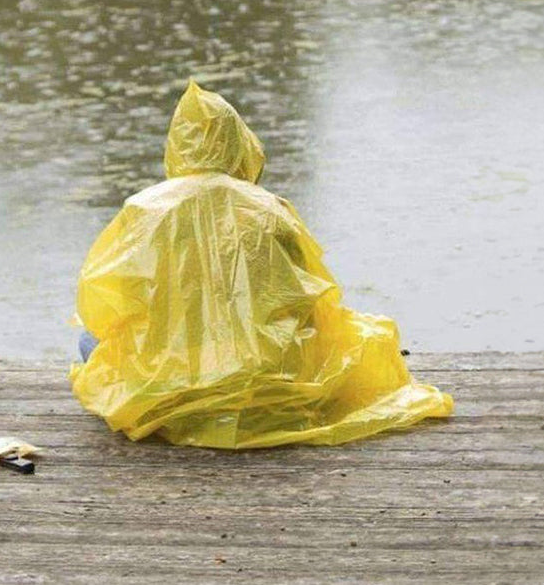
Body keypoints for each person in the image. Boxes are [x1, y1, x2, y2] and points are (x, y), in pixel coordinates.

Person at [70, 80, 452, 448]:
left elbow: (108, 301)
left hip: (171, 376)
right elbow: (311, 300)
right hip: (266, 372)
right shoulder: (271, 208)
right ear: (240, 142)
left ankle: (177, 403)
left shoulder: (144, 209)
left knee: (89, 340)